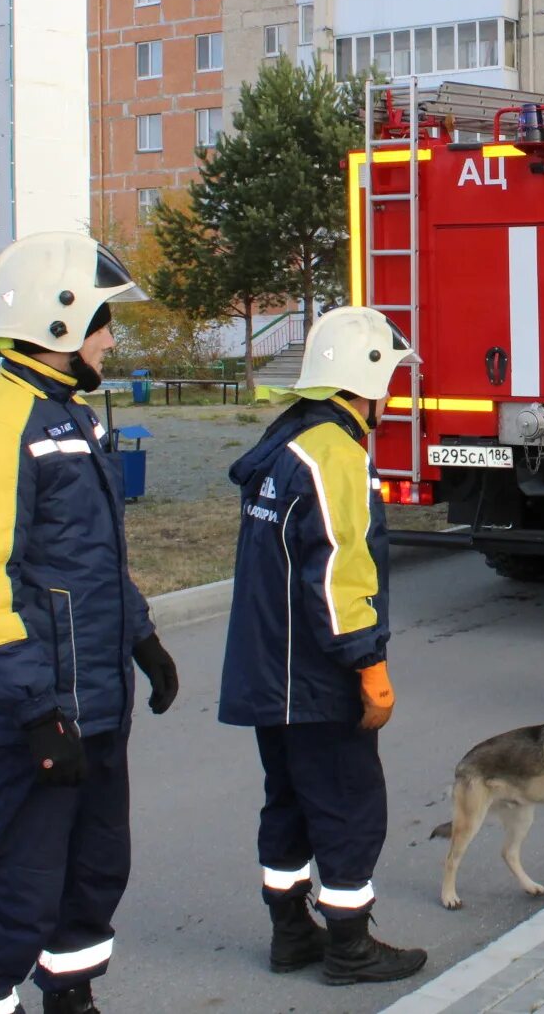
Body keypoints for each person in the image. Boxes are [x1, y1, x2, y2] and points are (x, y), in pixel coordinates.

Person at [0, 232, 179, 1014]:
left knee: (93, 872)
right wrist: (36, 713)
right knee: (18, 890)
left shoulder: (69, 414)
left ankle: (70, 998)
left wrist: (142, 636)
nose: (111, 336)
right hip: (41, 712)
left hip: (97, 701)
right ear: (61, 320)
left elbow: (92, 561)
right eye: (103, 320)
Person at [219, 305, 426, 985]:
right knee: (349, 805)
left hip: (268, 674)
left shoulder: (287, 444)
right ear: (362, 377)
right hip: (315, 674)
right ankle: (348, 945)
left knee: (288, 802)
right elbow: (339, 573)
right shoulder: (336, 453)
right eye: (388, 376)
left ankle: (290, 933)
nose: (391, 391)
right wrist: (369, 664)